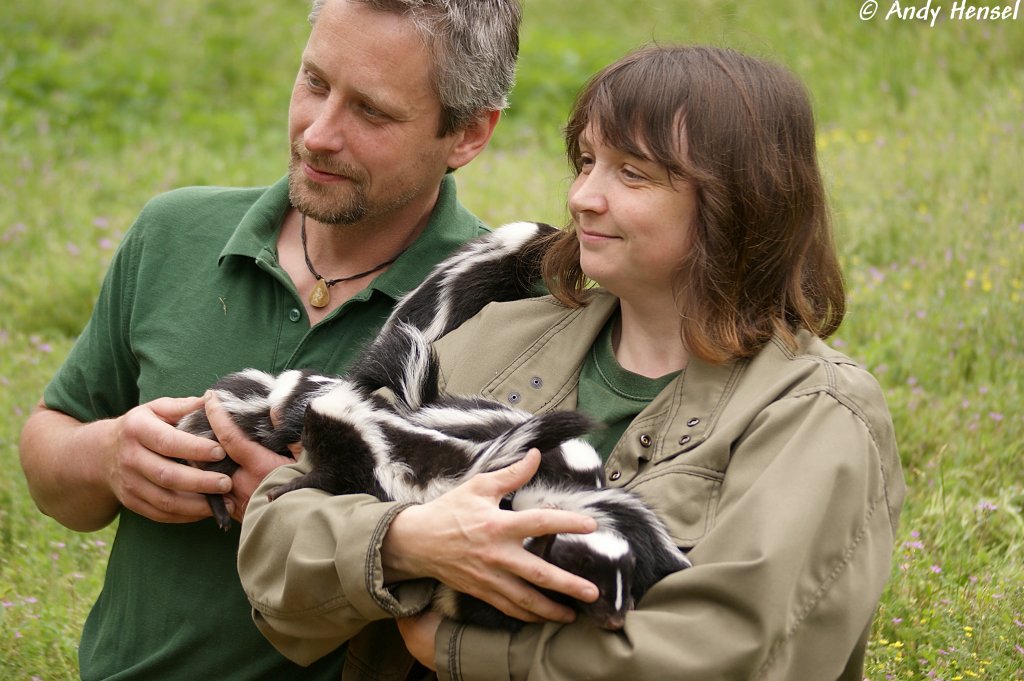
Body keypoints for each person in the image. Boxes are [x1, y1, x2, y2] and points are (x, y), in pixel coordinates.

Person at [238, 45, 906, 680]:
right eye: (586, 162)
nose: (584, 196)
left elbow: (731, 650)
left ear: (741, 203)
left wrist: (457, 645)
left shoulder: (815, 413)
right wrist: (407, 540)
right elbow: (276, 538)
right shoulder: (495, 333)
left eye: (632, 173)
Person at [17, 0, 521, 678]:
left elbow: (505, 593)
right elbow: (50, 456)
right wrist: (106, 455)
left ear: (469, 134)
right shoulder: (173, 232)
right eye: (314, 82)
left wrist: (304, 515)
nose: (318, 133)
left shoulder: (509, 309)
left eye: (370, 112)